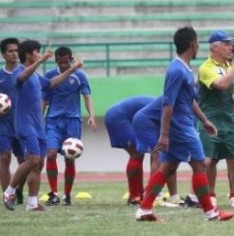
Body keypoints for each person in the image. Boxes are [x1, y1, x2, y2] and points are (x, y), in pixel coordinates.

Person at [136, 26, 234, 222]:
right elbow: (168, 104)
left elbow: (189, 100)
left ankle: (145, 209)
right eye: (197, 43)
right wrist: (164, 135)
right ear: (192, 44)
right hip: (180, 127)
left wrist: (205, 121)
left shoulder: (184, 69)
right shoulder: (176, 70)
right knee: (200, 165)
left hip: (183, 124)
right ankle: (210, 212)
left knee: (168, 167)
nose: (198, 46)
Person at [3, 40, 82, 211]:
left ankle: (32, 203)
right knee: (32, 159)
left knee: (38, 164)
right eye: (37, 52)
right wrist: (41, 61)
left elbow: (52, 83)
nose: (39, 54)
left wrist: (72, 70)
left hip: (39, 124)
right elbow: (21, 78)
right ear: (29, 55)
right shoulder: (19, 71)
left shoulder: (37, 76)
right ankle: (9, 191)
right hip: (25, 124)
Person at [197, 30, 234, 211]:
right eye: (227, 43)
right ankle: (210, 197)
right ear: (215, 46)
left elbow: (231, 92)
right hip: (210, 119)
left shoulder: (228, 66)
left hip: (228, 120)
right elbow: (220, 84)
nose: (231, 47)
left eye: (231, 43)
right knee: (208, 161)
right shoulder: (206, 67)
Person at [42, 46, 97, 206]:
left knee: (69, 158)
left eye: (66, 62)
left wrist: (92, 115)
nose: (64, 65)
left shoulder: (80, 76)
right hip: (53, 120)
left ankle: (67, 195)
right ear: (56, 60)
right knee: (51, 154)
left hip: (73, 121)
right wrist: (39, 118)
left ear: (71, 59)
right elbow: (44, 99)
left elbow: (87, 97)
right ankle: (54, 193)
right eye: (61, 62)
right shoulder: (50, 76)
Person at [132, 95, 184, 207]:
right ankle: (156, 195)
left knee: (170, 157)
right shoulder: (178, 93)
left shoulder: (187, 96)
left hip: (156, 122)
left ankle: (174, 197)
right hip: (146, 122)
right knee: (158, 155)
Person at [104, 96, 153, 205]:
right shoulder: (165, 111)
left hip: (119, 116)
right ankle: (134, 197)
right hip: (118, 118)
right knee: (137, 154)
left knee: (139, 154)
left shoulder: (163, 106)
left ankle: (138, 195)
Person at [0, 38, 26, 204]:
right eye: (10, 51)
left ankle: (18, 190)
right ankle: (7, 196)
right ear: (3, 55)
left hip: (22, 122)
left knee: (25, 161)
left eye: (16, 50)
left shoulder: (25, 73)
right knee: (5, 157)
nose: (14, 53)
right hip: (3, 124)